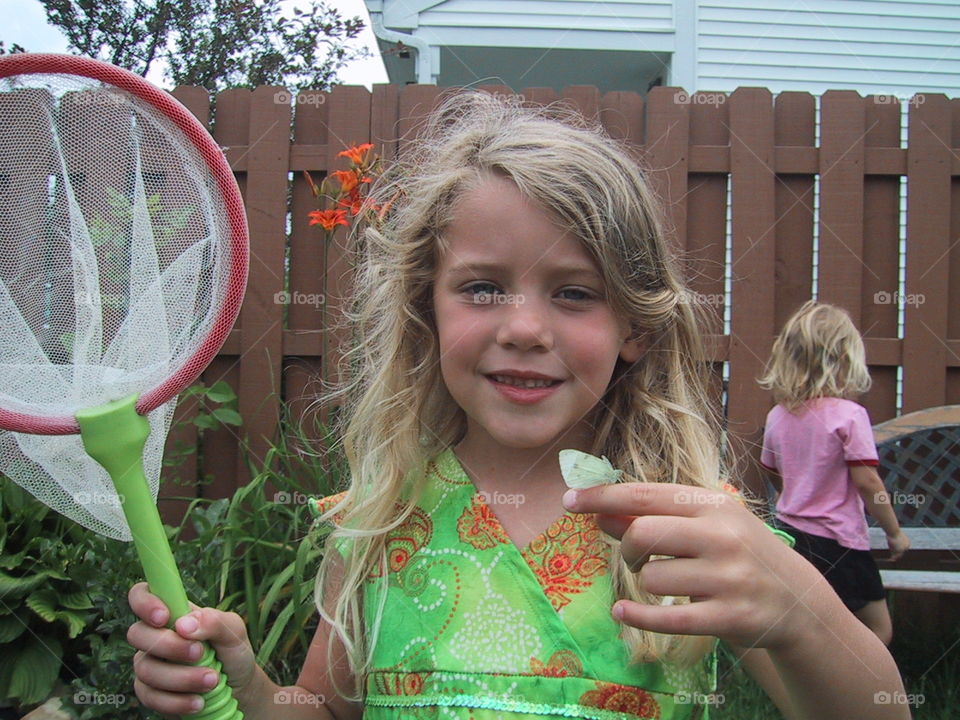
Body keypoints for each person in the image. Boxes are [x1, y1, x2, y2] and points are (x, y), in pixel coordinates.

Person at [127, 92, 910, 719]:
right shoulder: (377, 520)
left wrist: (799, 607)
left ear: (634, 328)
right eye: (481, 287)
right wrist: (254, 695)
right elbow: (329, 708)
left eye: (574, 293)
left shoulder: (687, 529)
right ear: (425, 310)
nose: (525, 328)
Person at [758, 300, 911, 646]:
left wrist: (790, 494)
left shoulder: (778, 416)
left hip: (792, 539)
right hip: (839, 543)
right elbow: (868, 482)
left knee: (811, 627)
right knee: (877, 630)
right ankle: (858, 695)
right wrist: (894, 533)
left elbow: (773, 471)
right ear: (845, 358)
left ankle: (814, 690)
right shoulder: (849, 415)